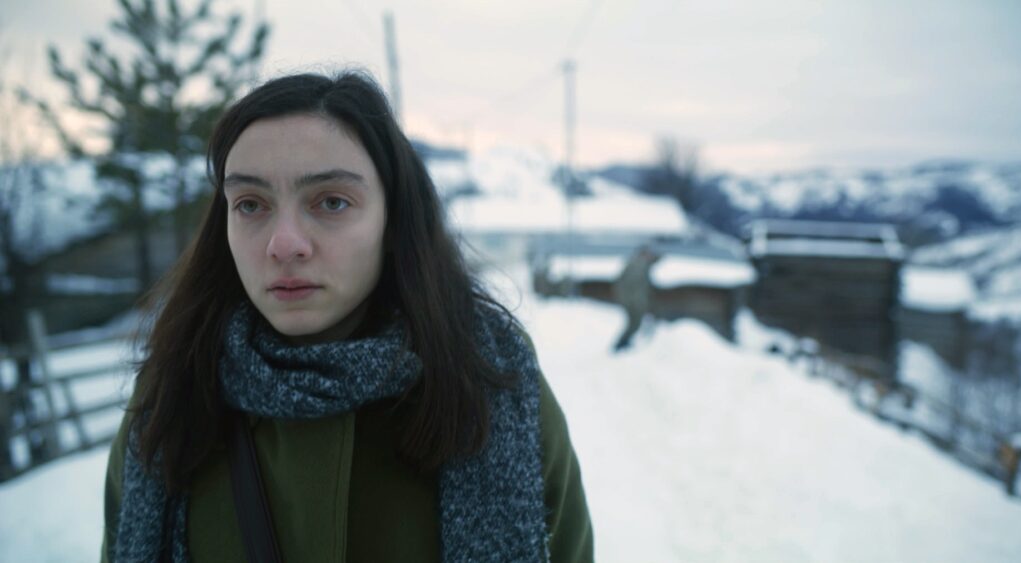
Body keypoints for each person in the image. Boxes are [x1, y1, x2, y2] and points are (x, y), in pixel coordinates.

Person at [100, 71, 593, 562]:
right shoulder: (171, 400)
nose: (284, 244)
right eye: (250, 205)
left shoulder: (492, 387)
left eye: (331, 202)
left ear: (393, 220)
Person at [612, 244, 661, 352]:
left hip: (630, 300)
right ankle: (621, 344)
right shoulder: (638, 265)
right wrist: (638, 302)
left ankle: (623, 343)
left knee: (633, 324)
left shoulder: (635, 263)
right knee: (634, 324)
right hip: (633, 302)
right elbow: (635, 287)